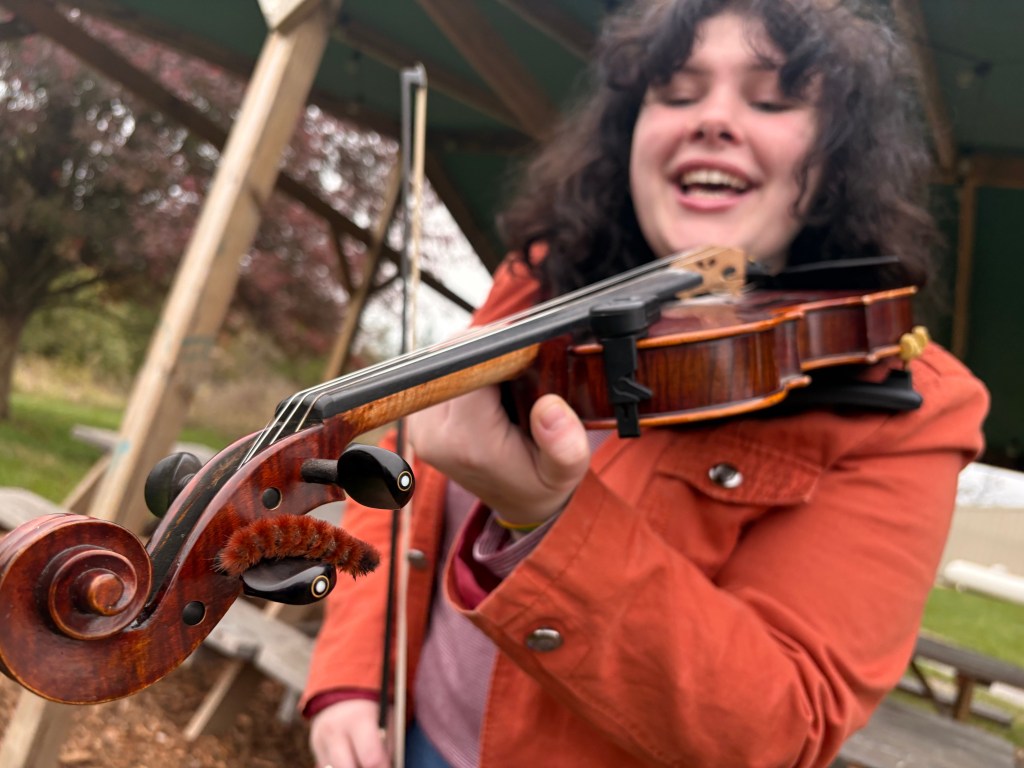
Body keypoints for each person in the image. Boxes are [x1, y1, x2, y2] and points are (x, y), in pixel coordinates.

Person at [302, 1, 989, 766]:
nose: (714, 120)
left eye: (771, 100)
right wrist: (352, 676)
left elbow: (778, 731)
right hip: (415, 734)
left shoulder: (910, 400)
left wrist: (546, 521)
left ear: (837, 159)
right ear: (630, 133)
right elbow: (408, 469)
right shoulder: (538, 281)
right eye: (677, 92)